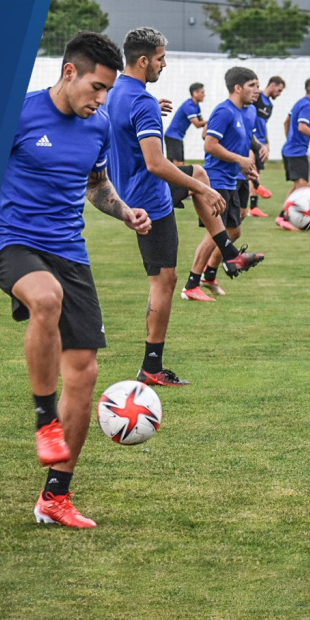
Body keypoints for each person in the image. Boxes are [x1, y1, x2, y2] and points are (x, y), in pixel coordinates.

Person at [0, 31, 151, 529]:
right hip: (14, 241)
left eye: (108, 91)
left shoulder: (97, 127)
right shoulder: (18, 113)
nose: (101, 100)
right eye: (97, 87)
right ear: (69, 72)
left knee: (84, 374)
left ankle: (55, 497)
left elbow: (97, 187)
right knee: (46, 297)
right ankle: (45, 418)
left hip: (70, 252)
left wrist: (126, 212)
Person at [105, 28, 264, 383]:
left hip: (129, 188)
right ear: (143, 60)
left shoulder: (115, 91)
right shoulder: (142, 101)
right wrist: (202, 191)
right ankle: (151, 367)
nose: (164, 64)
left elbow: (117, 126)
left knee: (200, 173)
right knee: (164, 281)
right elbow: (155, 163)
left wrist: (197, 183)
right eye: (160, 58)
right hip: (149, 200)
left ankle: (229, 253)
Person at [181, 67, 266, 302]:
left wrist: (252, 156)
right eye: (252, 86)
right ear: (237, 88)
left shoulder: (248, 111)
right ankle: (191, 285)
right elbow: (209, 144)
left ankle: (209, 276)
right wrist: (239, 159)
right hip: (216, 179)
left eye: (258, 86)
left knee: (234, 231)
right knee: (214, 234)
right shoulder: (224, 111)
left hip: (233, 178)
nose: (257, 90)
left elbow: (245, 138)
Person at [277, 77, 310, 230]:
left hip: (291, 149)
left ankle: (283, 216)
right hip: (296, 152)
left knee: (299, 186)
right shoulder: (307, 106)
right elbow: (302, 127)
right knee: (302, 186)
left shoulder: (300, 102)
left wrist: (290, 139)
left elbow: (286, 122)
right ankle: (286, 218)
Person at [247, 76, 285, 217]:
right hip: (252, 141)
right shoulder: (256, 98)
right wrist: (256, 141)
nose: (279, 94)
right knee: (251, 170)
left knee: (257, 172)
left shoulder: (269, 105)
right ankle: (255, 192)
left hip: (262, 143)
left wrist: (267, 143)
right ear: (272, 85)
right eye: (279, 90)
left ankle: (253, 207)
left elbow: (264, 125)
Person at [164, 83, 206, 165]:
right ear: (195, 93)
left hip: (177, 137)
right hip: (172, 136)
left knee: (179, 164)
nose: (204, 95)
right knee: (178, 164)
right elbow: (197, 124)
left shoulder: (196, 106)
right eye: (202, 92)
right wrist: (212, 120)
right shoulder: (189, 106)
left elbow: (202, 122)